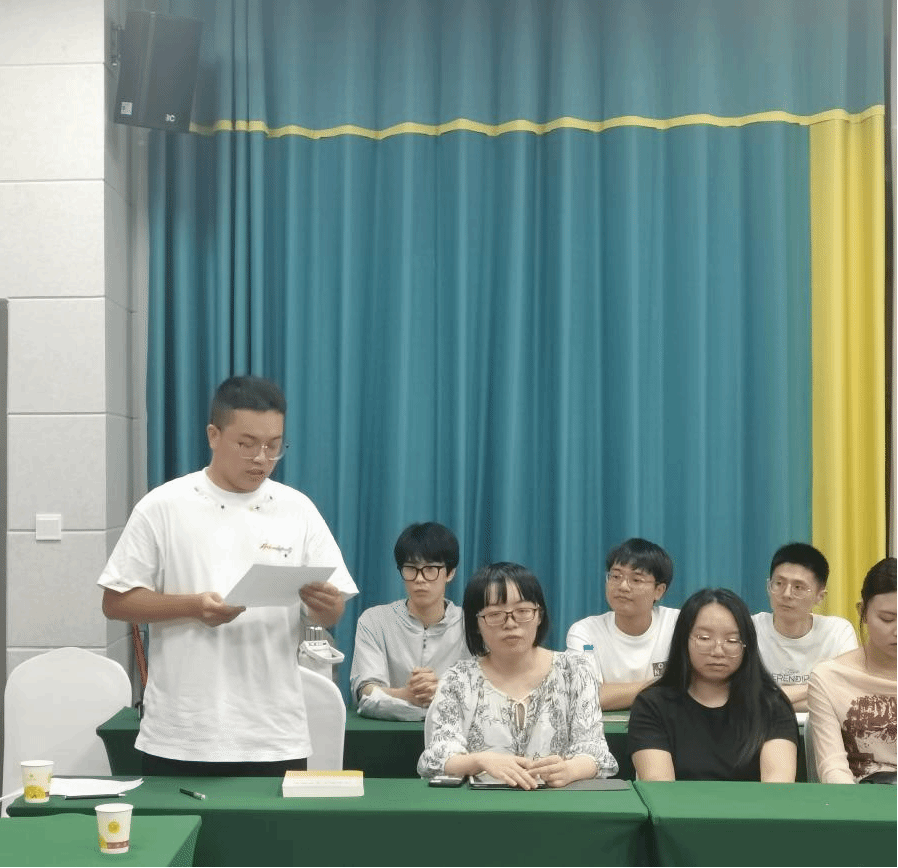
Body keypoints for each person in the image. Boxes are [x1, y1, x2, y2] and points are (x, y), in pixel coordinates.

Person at [99, 375, 358, 776]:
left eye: (274, 446)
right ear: (213, 435)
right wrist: (192, 606)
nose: (261, 458)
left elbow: (329, 613)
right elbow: (116, 602)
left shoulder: (297, 509)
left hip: (274, 734)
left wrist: (327, 607)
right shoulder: (163, 506)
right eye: (247, 444)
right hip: (182, 732)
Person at [418, 562, 618, 788]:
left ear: (539, 615)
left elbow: (596, 753)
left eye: (523, 611)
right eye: (495, 614)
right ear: (475, 624)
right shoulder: (458, 679)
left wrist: (570, 769)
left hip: (557, 802)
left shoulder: (575, 671)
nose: (511, 624)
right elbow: (437, 757)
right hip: (480, 804)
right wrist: (479, 760)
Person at [629, 587, 798, 781]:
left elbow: (777, 788)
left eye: (732, 640)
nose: (718, 651)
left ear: (746, 645)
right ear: (683, 640)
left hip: (756, 803)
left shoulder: (772, 706)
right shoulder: (652, 705)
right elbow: (660, 787)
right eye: (704, 638)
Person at [349, 522, 467, 720]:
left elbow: (487, 688)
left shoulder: (471, 624)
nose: (419, 579)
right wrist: (406, 695)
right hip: (388, 732)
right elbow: (365, 689)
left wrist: (442, 690)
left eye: (430, 569)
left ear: (450, 572)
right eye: (411, 568)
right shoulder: (375, 621)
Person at [808, 557, 897, 783]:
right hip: (860, 797)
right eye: (887, 619)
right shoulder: (829, 678)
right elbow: (833, 767)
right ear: (863, 612)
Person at [566, 538, 678, 710]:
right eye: (616, 576)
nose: (623, 586)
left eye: (636, 580)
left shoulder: (677, 624)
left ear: (659, 591)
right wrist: (660, 686)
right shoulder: (585, 632)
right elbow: (584, 695)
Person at [752, 542, 857, 711]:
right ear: (768, 587)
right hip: (761, 726)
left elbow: (846, 697)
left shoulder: (837, 632)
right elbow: (742, 697)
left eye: (798, 587)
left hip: (821, 725)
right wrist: (820, 689)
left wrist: (769, 699)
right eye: (779, 583)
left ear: (820, 596)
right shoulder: (751, 628)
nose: (786, 594)